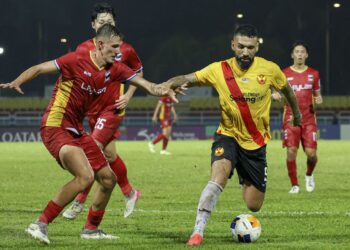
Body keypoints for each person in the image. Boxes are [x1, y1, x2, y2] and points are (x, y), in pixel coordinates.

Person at [0, 24, 183, 244]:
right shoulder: (76, 59)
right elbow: (40, 68)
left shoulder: (115, 69)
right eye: (114, 47)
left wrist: (166, 87)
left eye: (120, 47)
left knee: (107, 179)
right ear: (100, 44)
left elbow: (148, 85)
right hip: (55, 125)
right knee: (85, 176)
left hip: (77, 129)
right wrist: (18, 81)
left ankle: (91, 229)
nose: (118, 52)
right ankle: (40, 224)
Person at [163, 24, 301, 246]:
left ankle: (243, 173)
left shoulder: (270, 69)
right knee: (218, 176)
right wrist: (168, 84)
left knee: (253, 205)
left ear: (257, 47)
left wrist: (296, 113)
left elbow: (288, 91)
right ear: (233, 45)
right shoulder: (219, 69)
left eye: (250, 47)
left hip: (255, 144)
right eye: (241, 47)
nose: (245, 52)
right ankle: (197, 231)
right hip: (227, 136)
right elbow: (188, 77)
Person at [62, 2, 143, 220]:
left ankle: (79, 202)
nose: (105, 24)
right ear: (93, 25)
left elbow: (138, 73)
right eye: (101, 22)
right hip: (91, 110)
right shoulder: (82, 49)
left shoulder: (124, 49)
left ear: (115, 23)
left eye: (109, 21)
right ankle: (130, 192)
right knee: (109, 154)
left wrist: (128, 96)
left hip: (112, 109)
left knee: (91, 149)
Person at [280, 41, 322, 194]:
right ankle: (295, 185)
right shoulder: (284, 74)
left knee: (311, 154)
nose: (299, 54)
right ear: (292, 55)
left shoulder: (314, 74)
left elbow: (318, 96)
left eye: (302, 52)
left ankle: (309, 174)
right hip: (291, 119)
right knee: (291, 150)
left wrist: (318, 99)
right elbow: (279, 93)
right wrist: (276, 95)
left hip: (309, 119)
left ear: (306, 55)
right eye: (296, 51)